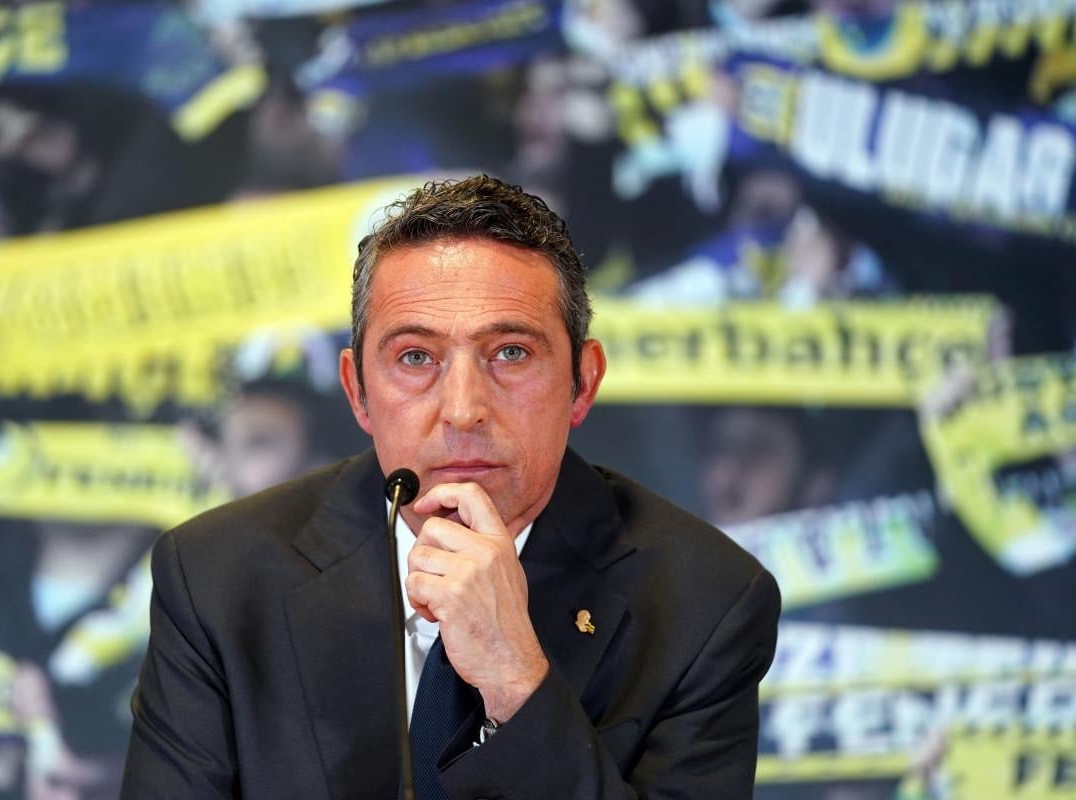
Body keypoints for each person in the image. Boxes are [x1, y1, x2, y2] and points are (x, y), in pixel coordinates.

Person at [121, 175, 781, 798]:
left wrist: (515, 678)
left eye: (511, 353)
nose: (463, 410)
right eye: (416, 357)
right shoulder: (216, 577)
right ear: (357, 391)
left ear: (583, 383)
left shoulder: (707, 602)